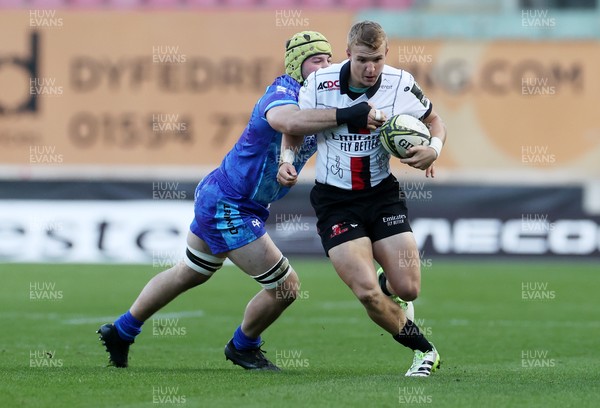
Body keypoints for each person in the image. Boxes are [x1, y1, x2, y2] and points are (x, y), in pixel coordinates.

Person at [97, 31, 380, 371]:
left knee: (190, 272)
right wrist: (349, 115)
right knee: (286, 287)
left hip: (228, 196)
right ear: (296, 65)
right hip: (230, 203)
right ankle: (243, 347)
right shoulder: (282, 93)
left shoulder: (321, 101)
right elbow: (287, 121)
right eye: (315, 61)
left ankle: (122, 331)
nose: (326, 66)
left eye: (328, 60)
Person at [279, 21, 446, 377]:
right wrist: (287, 161)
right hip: (335, 201)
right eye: (362, 60)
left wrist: (434, 148)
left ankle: (392, 284)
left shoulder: (400, 82)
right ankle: (424, 352)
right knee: (368, 292)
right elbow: (293, 126)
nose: (371, 69)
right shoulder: (319, 84)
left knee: (409, 289)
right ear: (348, 55)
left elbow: (434, 120)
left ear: (387, 55)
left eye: (377, 61)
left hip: (382, 195)